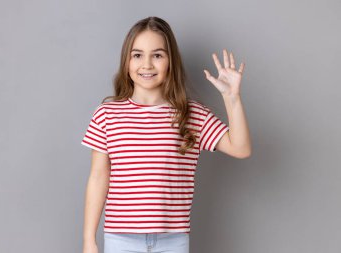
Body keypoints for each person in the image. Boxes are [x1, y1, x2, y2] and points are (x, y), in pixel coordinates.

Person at [81, 16, 251, 253]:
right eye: (137, 54)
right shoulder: (107, 114)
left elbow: (241, 148)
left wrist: (231, 97)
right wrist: (89, 240)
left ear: (170, 61)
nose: (147, 64)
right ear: (126, 61)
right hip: (120, 239)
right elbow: (98, 177)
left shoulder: (192, 114)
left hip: (173, 240)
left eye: (157, 55)